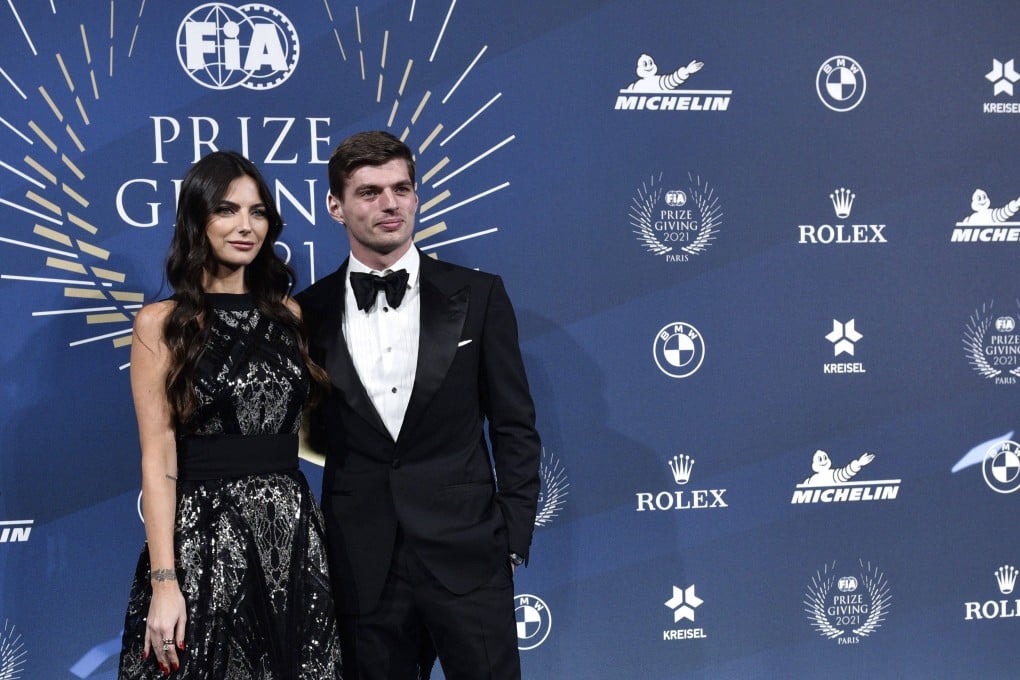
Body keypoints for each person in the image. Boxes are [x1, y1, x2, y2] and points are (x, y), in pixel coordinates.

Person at [297, 130, 541, 680]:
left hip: (469, 554)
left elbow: (514, 425)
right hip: (361, 563)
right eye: (370, 192)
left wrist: (509, 535)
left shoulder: (478, 295)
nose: (390, 203)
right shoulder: (304, 312)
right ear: (335, 206)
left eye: (401, 188)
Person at [118, 151, 343, 678]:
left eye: (258, 212)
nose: (246, 226)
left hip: (293, 537)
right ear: (197, 221)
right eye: (227, 210)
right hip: (207, 541)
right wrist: (165, 580)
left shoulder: (289, 316)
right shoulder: (162, 323)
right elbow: (158, 456)